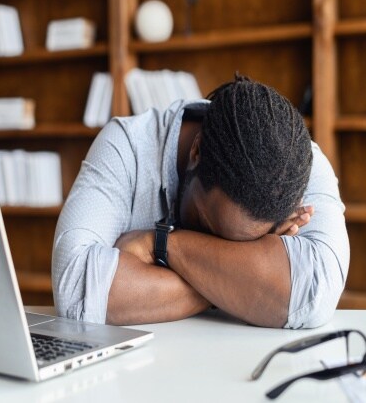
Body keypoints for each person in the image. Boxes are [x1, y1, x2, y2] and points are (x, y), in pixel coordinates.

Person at [52, 75, 349, 328]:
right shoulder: (127, 145)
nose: (213, 246)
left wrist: (163, 245)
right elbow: (76, 290)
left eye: (243, 245)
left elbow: (317, 296)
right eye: (206, 223)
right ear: (197, 151)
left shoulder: (295, 169)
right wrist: (251, 284)